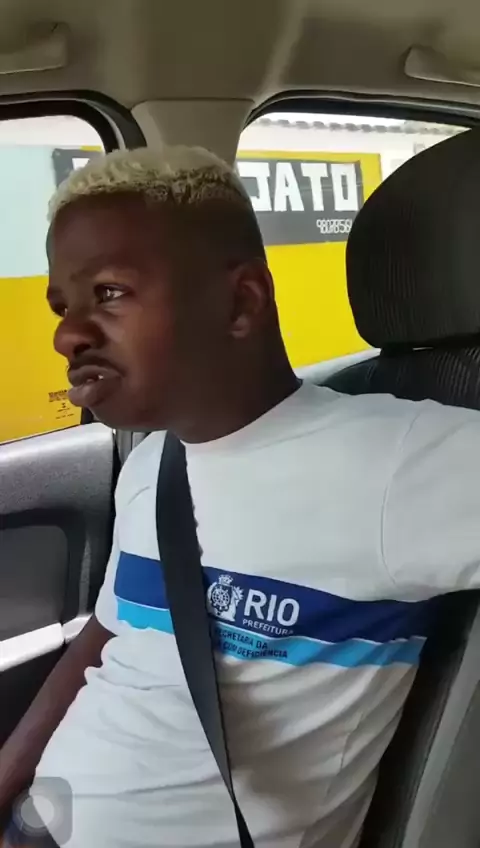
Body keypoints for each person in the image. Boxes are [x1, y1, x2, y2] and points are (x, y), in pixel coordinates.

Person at [1, 144, 480, 848]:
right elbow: (105, 641)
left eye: (109, 293)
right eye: (62, 306)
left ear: (240, 302)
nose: (67, 333)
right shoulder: (154, 463)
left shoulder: (399, 461)